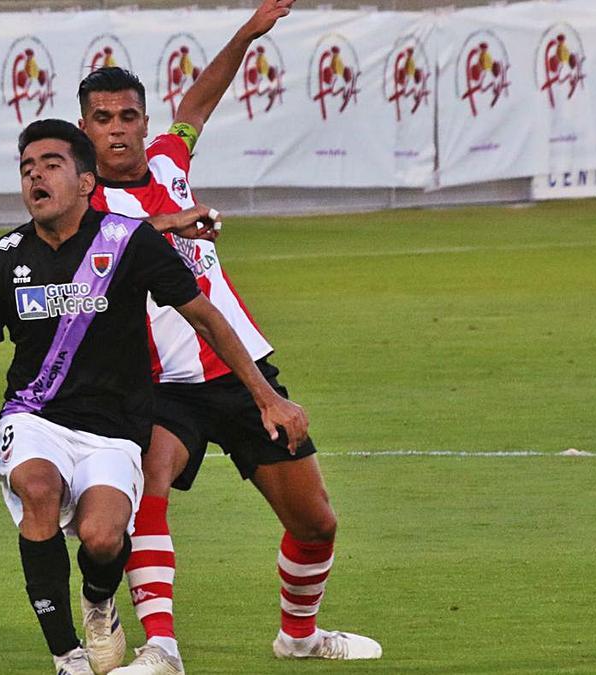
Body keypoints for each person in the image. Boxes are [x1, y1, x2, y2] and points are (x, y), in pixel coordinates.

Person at [0, 118, 309, 675]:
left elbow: (207, 319)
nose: (35, 177)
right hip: (34, 415)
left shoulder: (128, 243)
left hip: (115, 427)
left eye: (50, 165)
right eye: (27, 168)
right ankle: (65, 655)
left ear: (84, 181)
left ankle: (99, 598)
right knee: (38, 486)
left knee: (102, 540)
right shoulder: (3, 257)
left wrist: (265, 395)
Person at [77, 2, 383, 672]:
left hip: (242, 371)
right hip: (159, 386)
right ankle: (163, 649)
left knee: (316, 521)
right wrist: (176, 225)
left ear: (144, 122)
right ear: (85, 131)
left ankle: (298, 635)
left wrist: (246, 35)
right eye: (104, 120)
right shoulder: (85, 203)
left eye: (129, 116)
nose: (119, 131)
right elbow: (110, 245)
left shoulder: (168, 159)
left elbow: (199, 101)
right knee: (148, 480)